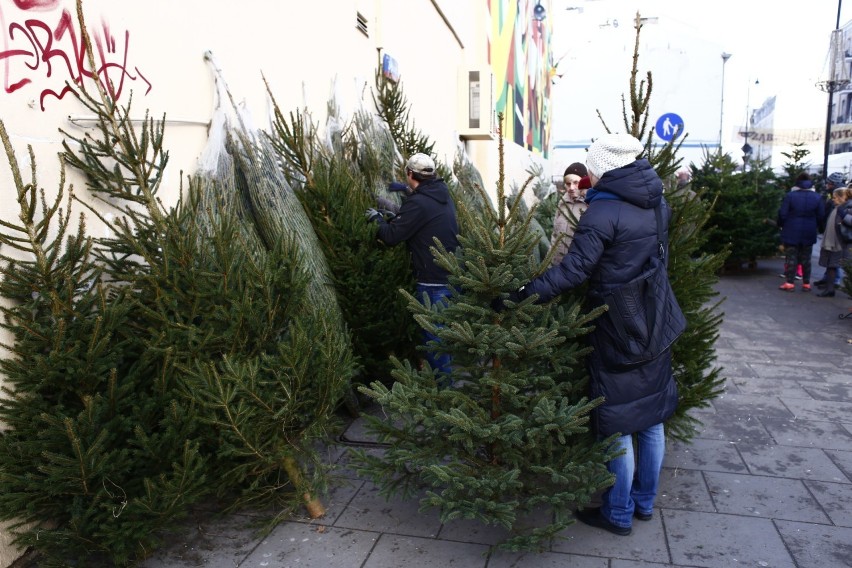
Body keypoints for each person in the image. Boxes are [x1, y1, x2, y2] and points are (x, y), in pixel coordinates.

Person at [508, 133, 679, 536]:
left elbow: (573, 272)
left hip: (616, 323)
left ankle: (617, 513)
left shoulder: (602, 213)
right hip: (655, 317)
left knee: (617, 420)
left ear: (605, 167)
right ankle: (643, 504)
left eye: (594, 167)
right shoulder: (658, 203)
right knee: (652, 419)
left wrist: (522, 295)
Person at [365, 153, 460, 386]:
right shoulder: (442, 196)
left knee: (434, 339)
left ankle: (444, 395)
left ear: (410, 174)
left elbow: (391, 237)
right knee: (441, 337)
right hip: (449, 276)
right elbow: (423, 220)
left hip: (432, 281)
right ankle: (444, 386)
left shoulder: (418, 202)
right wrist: (397, 214)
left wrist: (377, 219)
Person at [777, 173, 824, 292]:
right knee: (806, 258)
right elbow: (821, 216)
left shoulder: (790, 196)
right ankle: (806, 283)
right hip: (809, 230)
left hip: (791, 229)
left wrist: (783, 225)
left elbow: (782, 214)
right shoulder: (817, 197)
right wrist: (815, 226)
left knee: (791, 257)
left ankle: (789, 282)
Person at [550, 163, 589, 266]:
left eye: (576, 182)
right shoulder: (562, 203)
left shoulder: (590, 204)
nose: (571, 187)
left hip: (578, 267)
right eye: (568, 183)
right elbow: (555, 234)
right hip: (557, 265)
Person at [814, 187, 850, 298]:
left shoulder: (846, 208)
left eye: (835, 197)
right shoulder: (838, 207)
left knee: (839, 266)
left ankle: (831, 289)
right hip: (834, 242)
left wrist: (843, 215)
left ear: (841, 197)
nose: (833, 199)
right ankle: (830, 289)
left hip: (840, 242)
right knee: (831, 265)